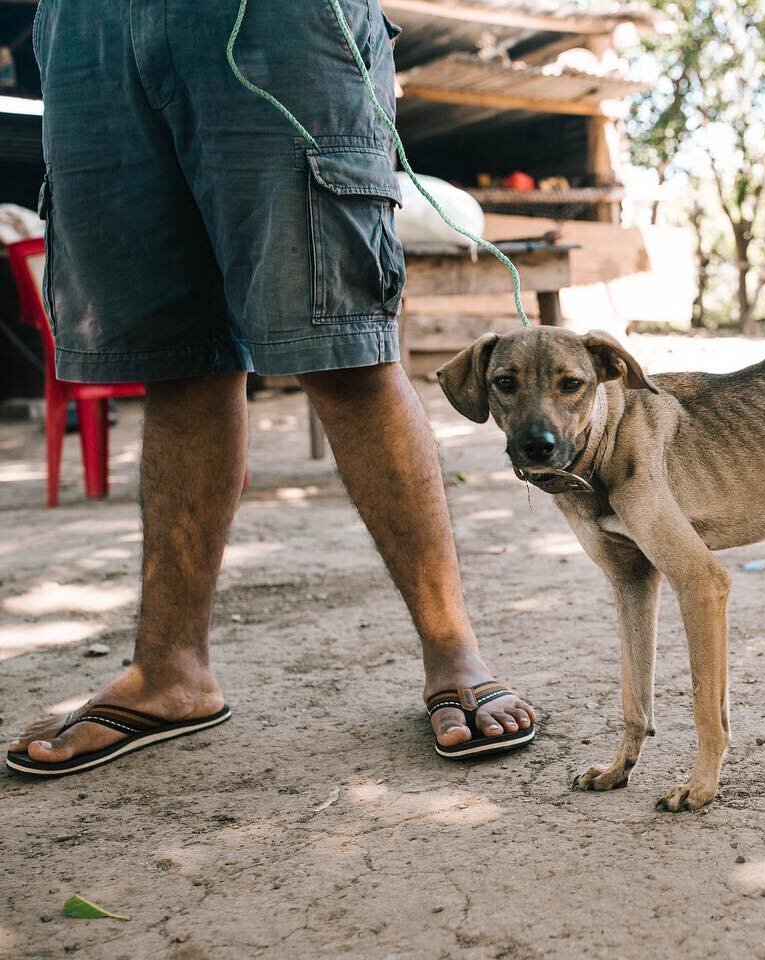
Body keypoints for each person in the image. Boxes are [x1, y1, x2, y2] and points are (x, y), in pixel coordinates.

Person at [6, 0, 536, 776]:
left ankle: (455, 653)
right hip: (87, 29)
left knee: (343, 346)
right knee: (178, 361)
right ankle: (170, 672)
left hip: (268, 23)